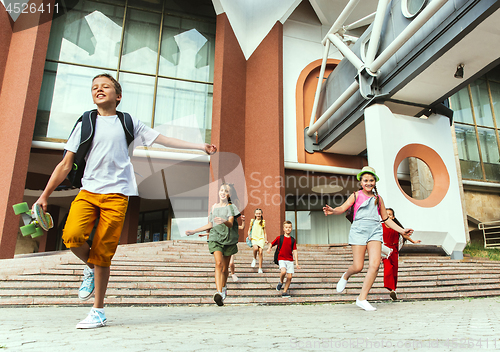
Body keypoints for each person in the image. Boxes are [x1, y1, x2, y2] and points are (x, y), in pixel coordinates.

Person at [35, 73, 217, 329]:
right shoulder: (85, 123)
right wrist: (45, 195)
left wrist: (199, 146)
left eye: (105, 86)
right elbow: (65, 164)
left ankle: (98, 311)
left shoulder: (129, 122)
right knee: (72, 236)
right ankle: (90, 267)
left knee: (103, 252)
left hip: (118, 195)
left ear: (117, 96)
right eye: (94, 87)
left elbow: (163, 139)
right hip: (88, 192)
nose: (99, 90)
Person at [323, 166, 413, 311]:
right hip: (359, 231)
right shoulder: (356, 195)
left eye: (371, 180)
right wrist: (333, 210)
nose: (368, 183)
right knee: (358, 267)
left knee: (375, 265)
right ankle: (346, 275)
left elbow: (386, 219)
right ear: (361, 182)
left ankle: (362, 298)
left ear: (375, 182)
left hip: (375, 232)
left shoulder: (378, 199)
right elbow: (342, 207)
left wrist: (402, 230)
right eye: (366, 180)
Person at [186, 183, 240, 306]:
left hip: (228, 239)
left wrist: (224, 221)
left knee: (225, 268)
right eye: (221, 190)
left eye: (225, 191)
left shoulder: (231, 207)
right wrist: (194, 231)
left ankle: (224, 287)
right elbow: (210, 224)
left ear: (229, 194)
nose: (222, 192)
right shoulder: (214, 207)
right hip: (215, 237)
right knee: (218, 263)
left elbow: (231, 224)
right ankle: (219, 293)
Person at [383, 207, 421, 301]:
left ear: (393, 217)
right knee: (388, 268)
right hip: (385, 251)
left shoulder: (396, 227)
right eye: (386, 214)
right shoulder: (381, 226)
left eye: (390, 214)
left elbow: (404, 235)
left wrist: (413, 241)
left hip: (394, 250)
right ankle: (390, 288)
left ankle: (393, 290)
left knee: (394, 271)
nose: (388, 216)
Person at [267, 220, 300, 298]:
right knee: (283, 271)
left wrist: (297, 263)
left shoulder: (293, 240)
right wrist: (269, 248)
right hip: (281, 258)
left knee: (290, 277)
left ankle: (284, 292)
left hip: (290, 260)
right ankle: (281, 281)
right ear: (283, 229)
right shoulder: (280, 238)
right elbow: (272, 243)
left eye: (289, 227)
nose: (288, 229)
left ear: (291, 228)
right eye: (286, 227)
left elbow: (295, 251)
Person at [248, 208, 268, 273]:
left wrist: (266, 239)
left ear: (261, 214)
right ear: (255, 214)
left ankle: (260, 268)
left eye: (259, 213)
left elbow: (265, 232)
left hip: (261, 238)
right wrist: (249, 235)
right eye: (257, 213)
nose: (258, 215)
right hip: (254, 238)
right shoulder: (252, 221)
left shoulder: (263, 222)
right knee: (255, 248)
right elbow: (249, 229)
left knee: (261, 252)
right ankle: (254, 258)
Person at [229, 215, 245, 282]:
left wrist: (243, 221)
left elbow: (242, 227)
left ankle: (233, 274)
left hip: (231, 245)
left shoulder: (233, 226)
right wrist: (204, 234)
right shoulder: (223, 226)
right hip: (223, 245)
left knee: (231, 263)